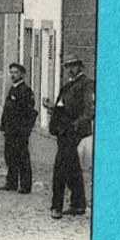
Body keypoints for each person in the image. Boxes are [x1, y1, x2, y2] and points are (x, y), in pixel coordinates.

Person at [44, 56, 94, 219]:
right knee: (72, 167)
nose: (70, 70)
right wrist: (52, 107)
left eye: (74, 66)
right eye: (68, 66)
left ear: (81, 67)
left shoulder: (86, 84)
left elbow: (89, 110)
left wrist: (75, 124)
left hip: (73, 132)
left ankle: (56, 206)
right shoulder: (67, 86)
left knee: (60, 167)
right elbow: (63, 108)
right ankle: (78, 204)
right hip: (62, 131)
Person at [0, 62, 37, 194]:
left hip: (19, 131)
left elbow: (29, 113)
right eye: (11, 72)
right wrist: (3, 126)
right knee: (10, 156)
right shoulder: (12, 89)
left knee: (22, 158)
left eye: (16, 72)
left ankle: (25, 185)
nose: (13, 75)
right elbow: (7, 110)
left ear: (22, 74)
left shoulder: (25, 91)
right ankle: (11, 183)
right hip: (10, 130)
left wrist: (25, 130)